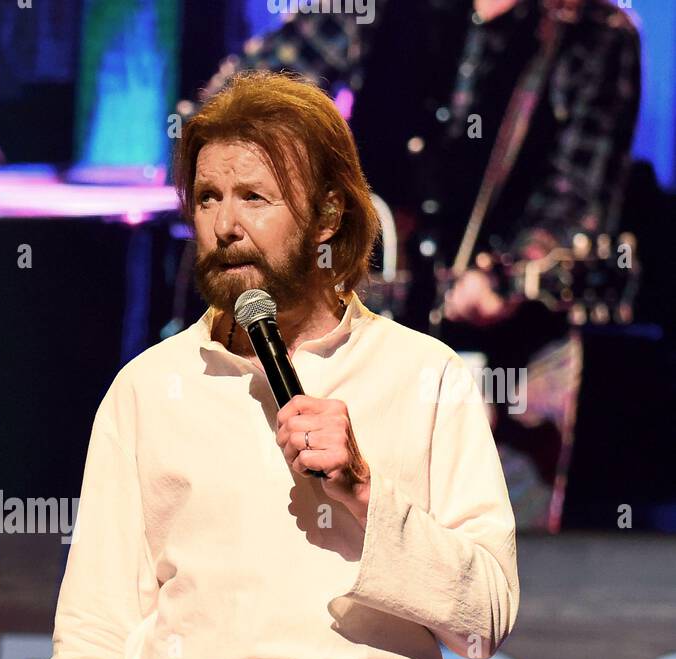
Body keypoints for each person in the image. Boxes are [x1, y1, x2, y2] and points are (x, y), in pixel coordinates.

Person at [22, 72, 519, 659]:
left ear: (330, 209)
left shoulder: (425, 376)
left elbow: (489, 610)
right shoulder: (147, 390)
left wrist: (369, 497)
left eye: (255, 196)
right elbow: (94, 634)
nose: (225, 223)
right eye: (208, 197)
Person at [201, 0, 641, 529]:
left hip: (513, 357)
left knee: (490, 559)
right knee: (328, 541)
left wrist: (509, 271)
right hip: (350, 330)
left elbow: (578, 196)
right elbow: (236, 106)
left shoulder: (595, 31)